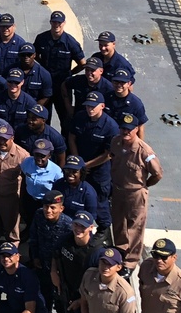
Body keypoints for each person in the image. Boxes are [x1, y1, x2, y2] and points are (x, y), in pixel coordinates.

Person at [105, 112, 162, 273]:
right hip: (117, 190)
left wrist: (144, 186)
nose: (126, 132)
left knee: (135, 227)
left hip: (135, 193)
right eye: (123, 129)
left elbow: (158, 173)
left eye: (129, 129)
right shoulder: (116, 142)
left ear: (136, 129)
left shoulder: (144, 151)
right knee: (118, 222)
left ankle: (130, 262)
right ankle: (121, 248)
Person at [49, 210, 104, 313]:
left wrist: (82, 301)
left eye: (83, 226)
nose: (78, 229)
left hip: (87, 300)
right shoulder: (65, 239)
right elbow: (56, 254)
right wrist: (54, 271)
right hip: (66, 292)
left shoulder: (96, 252)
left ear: (91, 228)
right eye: (76, 225)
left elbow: (101, 284)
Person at [28, 189, 73, 313]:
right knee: (45, 293)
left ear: (61, 208)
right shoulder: (39, 215)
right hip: (43, 265)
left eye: (53, 207)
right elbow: (33, 238)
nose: (48, 210)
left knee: (62, 302)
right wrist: (35, 257)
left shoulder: (68, 226)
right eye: (46, 206)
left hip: (61, 271)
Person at [67, 91, 119, 216]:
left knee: (100, 202)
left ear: (102, 106)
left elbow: (108, 154)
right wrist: (79, 163)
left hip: (99, 171)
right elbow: (71, 137)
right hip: (80, 166)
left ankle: (103, 229)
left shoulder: (111, 126)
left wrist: (86, 166)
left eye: (93, 106)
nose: (90, 109)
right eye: (88, 106)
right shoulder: (80, 117)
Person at [33, 10, 86, 123]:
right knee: (43, 117)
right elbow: (34, 55)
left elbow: (82, 64)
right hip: (45, 84)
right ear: (51, 22)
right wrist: (42, 66)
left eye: (59, 23)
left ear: (64, 23)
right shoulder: (42, 38)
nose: (57, 25)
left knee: (65, 118)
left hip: (63, 86)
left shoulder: (70, 43)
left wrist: (70, 73)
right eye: (54, 22)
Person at [61, 56, 114, 121]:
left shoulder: (109, 88)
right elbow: (64, 85)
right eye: (87, 70)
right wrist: (68, 106)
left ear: (101, 71)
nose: (89, 73)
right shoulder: (78, 80)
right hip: (78, 118)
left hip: (97, 121)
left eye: (92, 70)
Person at [104, 68, 148, 140]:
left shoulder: (136, 104)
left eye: (122, 82)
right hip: (107, 136)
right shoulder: (107, 97)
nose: (118, 85)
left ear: (129, 84)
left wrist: (139, 147)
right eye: (116, 82)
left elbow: (140, 128)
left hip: (124, 139)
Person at [16, 43, 53, 107]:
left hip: (35, 109)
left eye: (29, 54)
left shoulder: (44, 74)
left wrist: (33, 109)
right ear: (19, 55)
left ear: (34, 55)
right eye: (23, 55)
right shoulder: (11, 71)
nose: (26, 57)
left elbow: (46, 97)